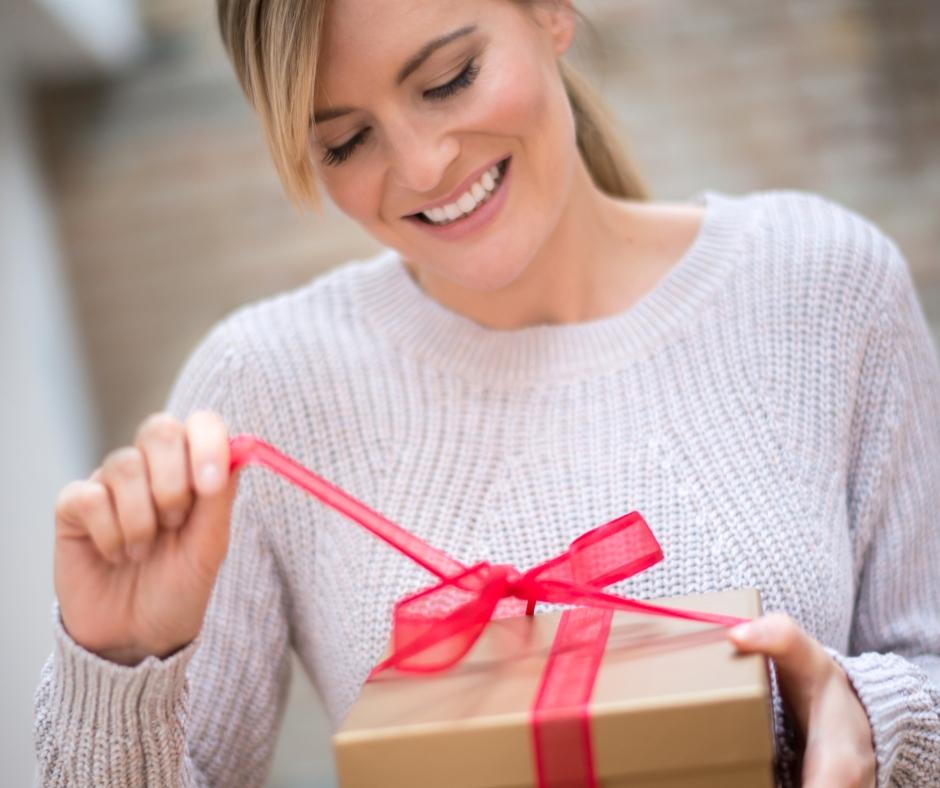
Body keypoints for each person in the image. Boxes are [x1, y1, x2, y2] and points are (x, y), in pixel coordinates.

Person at [33, 1, 940, 786]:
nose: (423, 166)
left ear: (550, 12)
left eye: (449, 78)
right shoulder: (264, 391)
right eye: (346, 141)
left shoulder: (821, 286)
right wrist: (120, 663)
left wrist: (869, 717)